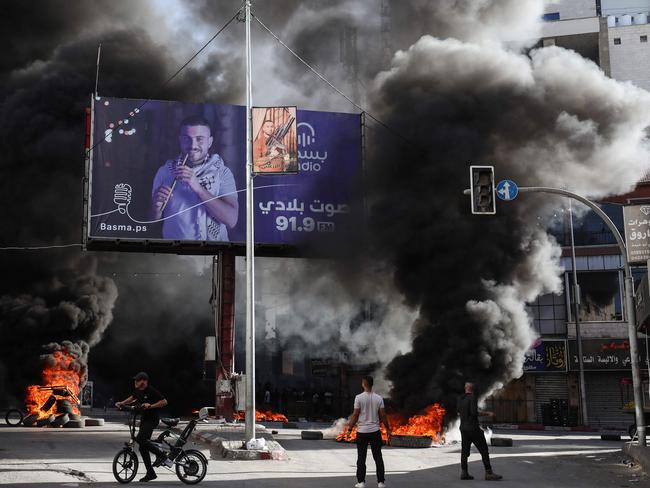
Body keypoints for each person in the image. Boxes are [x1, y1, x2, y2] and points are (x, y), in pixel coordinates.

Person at [151, 115, 238, 241]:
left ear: (210, 142)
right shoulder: (164, 172)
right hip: (176, 254)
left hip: (214, 252)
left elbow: (231, 220)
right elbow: (152, 219)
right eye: (187, 139)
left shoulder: (222, 173)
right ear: (180, 140)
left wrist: (198, 188)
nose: (193, 145)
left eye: (200, 139)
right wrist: (156, 208)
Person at [115, 372, 169, 482]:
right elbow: (132, 398)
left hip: (152, 420)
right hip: (144, 420)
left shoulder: (151, 391)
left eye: (138, 380)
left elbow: (164, 402)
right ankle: (150, 473)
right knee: (142, 447)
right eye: (135, 380)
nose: (135, 382)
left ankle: (162, 455)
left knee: (140, 439)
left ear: (144, 381)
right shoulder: (139, 391)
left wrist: (151, 406)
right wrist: (122, 403)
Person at [345, 376, 390, 488]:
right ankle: (381, 482)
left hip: (362, 432)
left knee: (361, 457)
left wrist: (349, 429)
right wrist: (388, 429)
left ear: (363, 384)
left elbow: (355, 415)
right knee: (378, 457)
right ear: (371, 384)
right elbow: (383, 415)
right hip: (375, 431)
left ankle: (361, 482)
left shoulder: (358, 398)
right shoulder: (379, 398)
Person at [457, 382, 502, 481]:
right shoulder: (472, 397)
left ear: (465, 388)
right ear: (473, 389)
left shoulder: (460, 398)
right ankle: (489, 473)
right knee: (484, 450)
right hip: (473, 428)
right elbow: (474, 413)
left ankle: (464, 473)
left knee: (464, 451)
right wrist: (487, 413)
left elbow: (458, 411)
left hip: (463, 428)